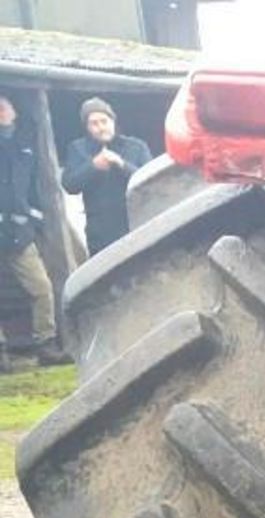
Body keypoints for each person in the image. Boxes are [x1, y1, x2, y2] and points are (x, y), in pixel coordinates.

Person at [0, 94, 62, 369]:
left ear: (14, 111)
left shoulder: (26, 143)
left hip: (19, 231)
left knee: (41, 288)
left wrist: (34, 216)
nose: (0, 112)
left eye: (4, 106)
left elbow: (41, 182)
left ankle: (45, 344)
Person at [61, 97, 152, 255]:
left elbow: (150, 182)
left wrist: (121, 164)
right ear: (87, 127)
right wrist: (93, 166)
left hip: (135, 227)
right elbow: (69, 185)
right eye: (94, 123)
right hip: (100, 234)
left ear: (113, 121)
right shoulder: (78, 149)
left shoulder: (136, 146)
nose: (101, 127)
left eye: (104, 121)